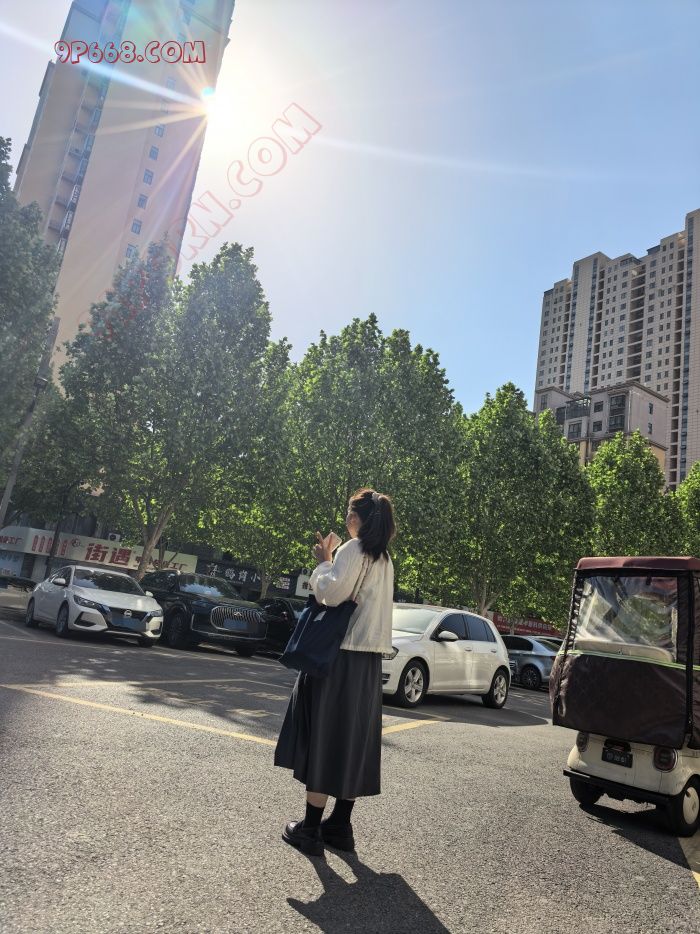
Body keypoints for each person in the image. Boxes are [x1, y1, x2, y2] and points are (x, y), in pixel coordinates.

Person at [274, 487, 396, 856]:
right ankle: (340, 825)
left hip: (338, 656)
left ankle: (310, 829)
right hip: (368, 663)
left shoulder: (353, 549)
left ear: (356, 518)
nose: (345, 520)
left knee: (323, 737)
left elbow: (329, 594)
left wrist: (325, 560)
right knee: (352, 741)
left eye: (348, 513)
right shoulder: (384, 559)